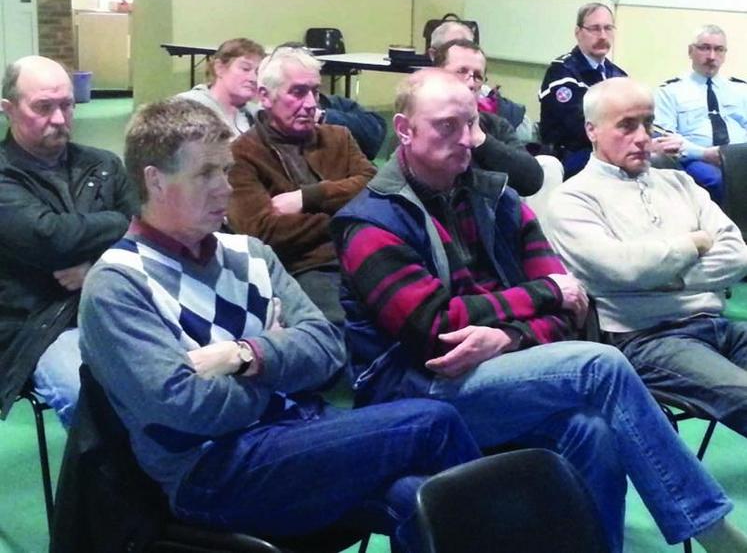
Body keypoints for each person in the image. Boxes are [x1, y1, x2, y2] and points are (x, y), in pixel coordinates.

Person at [330, 68, 747, 553]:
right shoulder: (370, 222)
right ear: (404, 129)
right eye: (447, 125)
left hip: (499, 369)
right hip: (411, 391)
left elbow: (573, 306)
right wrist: (542, 295)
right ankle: (705, 522)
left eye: (471, 124)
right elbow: (436, 328)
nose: (465, 139)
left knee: (591, 432)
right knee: (600, 364)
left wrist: (511, 336)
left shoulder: (496, 197)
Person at [77, 97, 482, 552]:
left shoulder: (250, 254)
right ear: (155, 181)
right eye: (205, 174)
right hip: (213, 471)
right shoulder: (118, 283)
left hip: (297, 438)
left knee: (423, 502)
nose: (224, 188)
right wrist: (281, 368)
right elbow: (187, 409)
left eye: (226, 171)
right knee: (434, 422)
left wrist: (246, 355)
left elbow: (329, 350)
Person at [546, 76, 747, 442]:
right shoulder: (573, 199)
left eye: (648, 123)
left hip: (716, 325)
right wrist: (695, 242)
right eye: (626, 125)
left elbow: (737, 254)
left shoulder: (680, 184)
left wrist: (672, 277)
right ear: (592, 130)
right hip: (648, 338)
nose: (642, 136)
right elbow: (623, 267)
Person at [0, 55, 138, 426]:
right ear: (8, 109)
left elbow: (151, 233)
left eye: (67, 105)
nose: (60, 119)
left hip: (119, 304)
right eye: (44, 107)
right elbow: (52, 238)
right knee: (89, 399)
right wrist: (119, 221)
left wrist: (95, 269)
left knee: (190, 370)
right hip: (42, 325)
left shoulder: (104, 164)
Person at [227, 46, 376, 326]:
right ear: (265, 97)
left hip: (364, 251)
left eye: (315, 92)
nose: (311, 104)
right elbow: (263, 233)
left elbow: (374, 186)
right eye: (297, 92)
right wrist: (350, 214)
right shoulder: (243, 154)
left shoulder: (338, 137)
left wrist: (310, 197)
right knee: (336, 329)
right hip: (307, 267)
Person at [433, 38, 564, 222]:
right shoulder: (423, 125)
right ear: (436, 75)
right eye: (461, 72)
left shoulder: (496, 125)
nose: (470, 83)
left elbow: (532, 180)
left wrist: (480, 140)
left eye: (477, 76)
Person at [655, 24, 747, 203]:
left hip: (740, 158)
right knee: (716, 181)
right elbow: (665, 141)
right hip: (697, 159)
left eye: (718, 49)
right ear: (690, 51)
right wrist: (703, 153)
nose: (712, 56)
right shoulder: (670, 91)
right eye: (704, 48)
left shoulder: (741, 90)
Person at [539, 2, 627, 178]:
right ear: (578, 33)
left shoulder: (619, 76)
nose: (602, 35)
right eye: (594, 28)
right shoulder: (562, 71)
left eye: (608, 28)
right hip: (570, 154)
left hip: (608, 149)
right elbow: (577, 127)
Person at [178, 38, 265, 138]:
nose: (253, 78)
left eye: (258, 72)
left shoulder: (258, 116)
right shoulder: (186, 107)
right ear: (219, 68)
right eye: (245, 69)